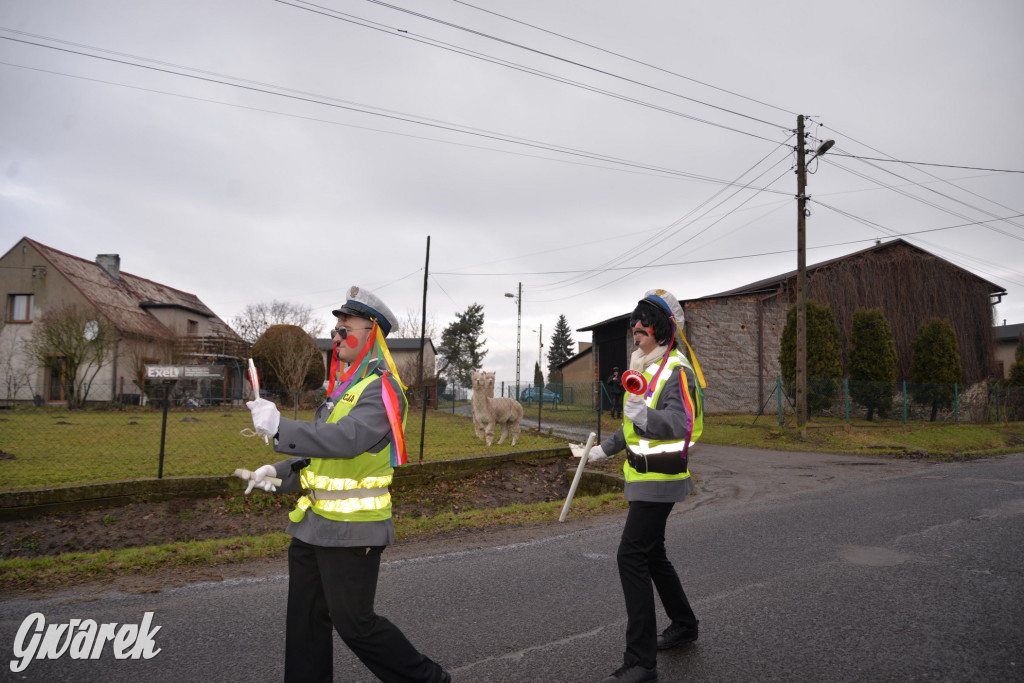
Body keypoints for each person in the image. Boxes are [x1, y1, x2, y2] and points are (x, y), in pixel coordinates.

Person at [245, 285, 451, 683]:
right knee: (304, 621)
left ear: (371, 333)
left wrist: (280, 427)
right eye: (336, 327)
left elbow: (348, 441)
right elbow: (320, 455)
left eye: (346, 327)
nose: (336, 336)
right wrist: (278, 473)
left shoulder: (384, 389)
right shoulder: (343, 389)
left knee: (356, 624)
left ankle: (428, 680)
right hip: (313, 525)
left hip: (355, 530)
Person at [586, 288, 706, 683]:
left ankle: (641, 662)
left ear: (663, 330)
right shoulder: (645, 367)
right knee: (652, 554)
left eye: (645, 321)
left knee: (630, 556)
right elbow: (631, 425)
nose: (636, 326)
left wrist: (646, 415)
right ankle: (684, 624)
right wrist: (604, 450)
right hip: (642, 478)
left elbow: (683, 426)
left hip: (662, 480)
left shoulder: (676, 369)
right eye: (635, 319)